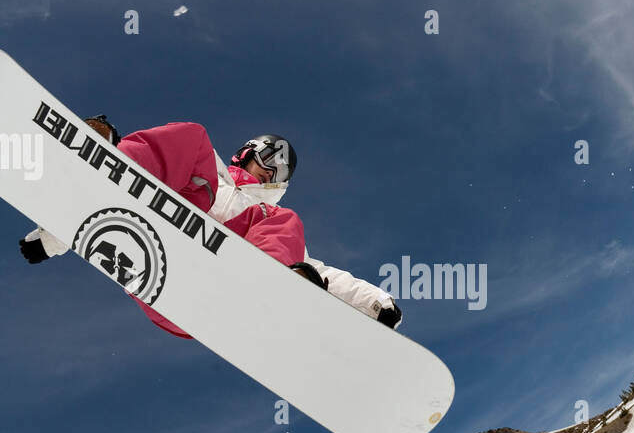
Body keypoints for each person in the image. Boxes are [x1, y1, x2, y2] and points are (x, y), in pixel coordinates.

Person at [19, 116, 402, 337]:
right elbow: (97, 215)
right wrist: (52, 237)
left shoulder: (271, 215)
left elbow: (323, 274)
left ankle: (272, 291)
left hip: (217, 297)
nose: (269, 168)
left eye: (279, 169)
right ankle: (111, 164)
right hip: (157, 257)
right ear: (248, 151)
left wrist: (375, 305)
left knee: (284, 223)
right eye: (267, 157)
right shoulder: (211, 169)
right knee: (193, 137)